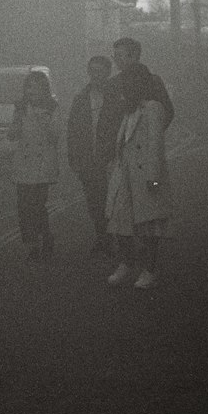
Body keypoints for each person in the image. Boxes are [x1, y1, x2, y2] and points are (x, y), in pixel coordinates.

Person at [105, 62, 174, 289]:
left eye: (128, 82)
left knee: (149, 226)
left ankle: (149, 270)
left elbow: (155, 148)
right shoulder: (129, 109)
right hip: (125, 175)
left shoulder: (152, 108)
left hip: (146, 178)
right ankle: (127, 262)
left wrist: (153, 182)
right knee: (118, 221)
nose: (124, 88)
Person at [96, 37, 175, 171]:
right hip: (120, 151)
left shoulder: (152, 82)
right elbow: (106, 119)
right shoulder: (113, 85)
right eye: (115, 56)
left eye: (119, 55)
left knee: (145, 185)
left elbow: (167, 112)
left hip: (142, 153)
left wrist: (147, 134)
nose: (116, 60)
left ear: (133, 56)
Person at [8, 69, 61, 261]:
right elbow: (12, 135)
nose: (31, 92)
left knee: (37, 205)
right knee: (23, 206)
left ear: (44, 90)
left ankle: (45, 236)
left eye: (36, 88)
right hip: (23, 162)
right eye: (29, 88)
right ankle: (31, 244)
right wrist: (16, 123)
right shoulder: (20, 108)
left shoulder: (53, 108)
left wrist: (43, 119)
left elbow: (55, 136)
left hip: (43, 163)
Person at [66, 55, 115, 257]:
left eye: (100, 71)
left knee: (113, 200)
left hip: (111, 158)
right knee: (95, 201)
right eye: (92, 71)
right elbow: (73, 130)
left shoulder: (116, 97)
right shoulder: (80, 99)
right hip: (89, 160)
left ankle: (117, 238)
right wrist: (74, 158)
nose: (96, 75)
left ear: (107, 73)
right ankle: (103, 237)